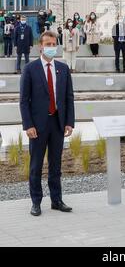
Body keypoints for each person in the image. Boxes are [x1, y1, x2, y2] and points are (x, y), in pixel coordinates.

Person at [20, 30, 75, 217]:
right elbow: (23, 100)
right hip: (37, 126)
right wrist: (28, 125)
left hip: (58, 123)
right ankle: (36, 202)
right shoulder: (30, 69)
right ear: (40, 46)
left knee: (56, 165)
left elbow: (69, 97)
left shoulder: (63, 68)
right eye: (48, 44)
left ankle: (56, 200)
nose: (51, 47)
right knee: (36, 166)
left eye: (54, 44)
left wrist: (69, 122)